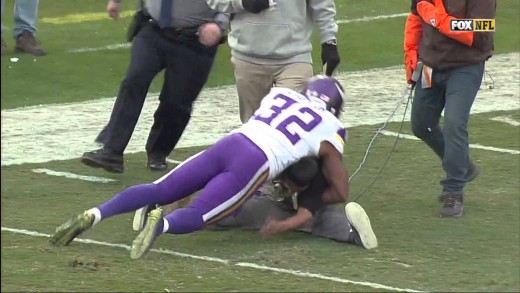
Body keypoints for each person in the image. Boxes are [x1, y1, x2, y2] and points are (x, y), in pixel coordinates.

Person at [50, 76, 350, 259]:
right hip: (256, 161)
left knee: (160, 189)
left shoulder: (281, 94)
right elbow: (340, 189)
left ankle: (95, 213)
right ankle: (162, 226)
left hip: (232, 142)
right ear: (335, 107)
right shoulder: (331, 127)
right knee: (202, 214)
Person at [81, 0, 230, 173]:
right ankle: (112, 150)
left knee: (177, 101)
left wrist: (219, 25)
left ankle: (158, 151)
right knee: (134, 80)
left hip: (195, 39)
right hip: (153, 28)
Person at [404, 0, 496, 217]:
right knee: (421, 124)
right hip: (431, 65)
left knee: (455, 123)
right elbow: (416, 17)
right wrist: (410, 53)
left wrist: (436, 18)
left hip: (465, 66)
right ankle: (463, 165)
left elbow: (477, 31)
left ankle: (453, 191)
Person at [206, 0, 341, 123]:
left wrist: (329, 41)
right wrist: (243, 3)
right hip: (248, 57)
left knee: (294, 124)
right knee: (254, 130)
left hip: (295, 56)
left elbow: (322, 3)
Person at [206, 156, 378, 249]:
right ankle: (201, 214)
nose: (295, 190)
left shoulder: (316, 181)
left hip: (300, 207)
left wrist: (281, 226)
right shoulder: (276, 157)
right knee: (239, 208)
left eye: (298, 188)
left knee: (323, 218)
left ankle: (355, 236)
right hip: (272, 192)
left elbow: (303, 215)